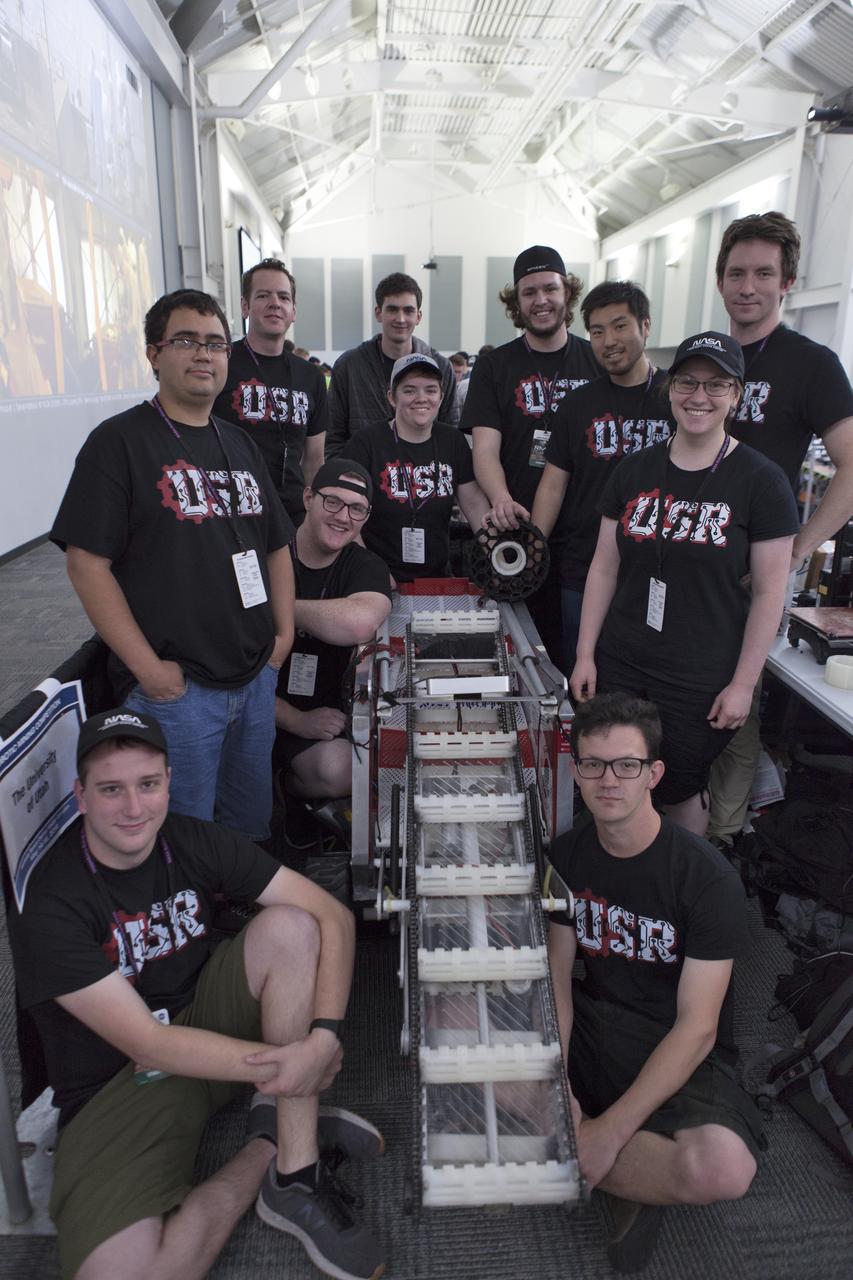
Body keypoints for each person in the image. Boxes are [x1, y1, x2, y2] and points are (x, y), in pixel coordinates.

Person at [9, 709, 384, 1280]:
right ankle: (269, 1141)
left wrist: (323, 1037)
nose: (134, 807)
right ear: (81, 796)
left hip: (207, 1025)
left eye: (148, 784)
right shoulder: (51, 901)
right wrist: (296, 1065)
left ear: (167, 783)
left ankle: (297, 1173)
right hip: (118, 1084)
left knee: (292, 926)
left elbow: (332, 915)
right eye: (111, 790)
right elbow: (148, 1044)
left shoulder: (189, 839)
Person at [51, 288, 295, 843]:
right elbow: (86, 564)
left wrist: (281, 640)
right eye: (186, 340)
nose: (204, 354)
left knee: (248, 832)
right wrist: (150, 671)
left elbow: (276, 546)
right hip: (179, 691)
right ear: (154, 354)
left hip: (255, 678)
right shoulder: (117, 443)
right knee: (182, 843)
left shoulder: (239, 444)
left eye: (216, 343)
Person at [548, 691, 762, 1273]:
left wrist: (608, 1132)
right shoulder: (565, 857)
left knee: (725, 1167)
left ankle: (580, 1154)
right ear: (576, 772)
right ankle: (623, 1171)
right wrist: (556, 1081)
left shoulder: (707, 879)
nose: (608, 780)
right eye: (593, 764)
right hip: (596, 1022)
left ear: (654, 775)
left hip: (672, 1042)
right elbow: (557, 984)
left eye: (626, 765)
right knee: (459, 1033)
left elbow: (697, 1028)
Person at [570, 331, 799, 836]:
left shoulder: (761, 481)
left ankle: (674, 878)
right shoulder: (634, 470)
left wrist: (743, 685)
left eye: (717, 385)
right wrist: (585, 653)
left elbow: (770, 592)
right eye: (688, 382)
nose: (700, 396)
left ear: (736, 395)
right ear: (670, 388)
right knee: (612, 772)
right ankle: (614, 870)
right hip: (623, 658)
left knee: (677, 783)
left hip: (700, 672)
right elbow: (604, 567)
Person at [708, 211, 853, 847]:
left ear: (787, 282)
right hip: (688, 558)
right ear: (719, 280)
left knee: (735, 708)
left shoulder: (811, 364)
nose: (748, 286)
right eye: (737, 273)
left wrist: (795, 551)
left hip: (753, 573)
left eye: (764, 274)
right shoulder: (707, 357)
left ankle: (722, 843)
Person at [463, 245, 600, 666]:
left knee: (581, 654)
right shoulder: (494, 366)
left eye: (550, 289)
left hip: (587, 537)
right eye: (529, 292)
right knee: (524, 653)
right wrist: (501, 499)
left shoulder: (595, 359)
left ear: (567, 293)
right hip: (519, 532)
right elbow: (485, 449)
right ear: (516, 302)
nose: (541, 300)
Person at [531, 281, 674, 673]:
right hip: (583, 566)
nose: (609, 341)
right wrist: (534, 548)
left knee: (645, 677)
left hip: (656, 570)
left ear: (646, 325)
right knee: (582, 675)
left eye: (620, 326)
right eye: (597, 331)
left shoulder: (675, 398)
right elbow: (553, 484)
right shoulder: (578, 404)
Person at [275, 458, 392, 821]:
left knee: (345, 768)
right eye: (333, 501)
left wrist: (273, 608)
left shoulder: (365, 565)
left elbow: (360, 623)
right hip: (259, 707)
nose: (343, 517)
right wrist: (295, 720)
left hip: (327, 719)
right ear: (308, 497)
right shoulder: (268, 554)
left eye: (356, 509)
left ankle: (287, 790)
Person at [347, 354, 505, 583]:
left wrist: (499, 559)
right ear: (392, 397)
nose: (421, 398)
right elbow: (346, 517)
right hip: (379, 580)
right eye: (409, 390)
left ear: (441, 397)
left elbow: (474, 506)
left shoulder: (452, 441)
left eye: (430, 390)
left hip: (437, 579)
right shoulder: (366, 443)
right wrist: (371, 572)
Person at [213, 258, 327, 525]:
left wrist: (314, 519)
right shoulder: (221, 363)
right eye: (263, 295)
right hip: (232, 513)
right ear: (245, 306)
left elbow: (313, 462)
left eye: (283, 297)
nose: (275, 303)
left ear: (293, 311)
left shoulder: (311, 376)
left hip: (292, 515)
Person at [326, 272, 458, 455]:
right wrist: (348, 471)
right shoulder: (348, 366)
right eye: (392, 310)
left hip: (423, 470)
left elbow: (451, 437)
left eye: (408, 311)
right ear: (378, 313)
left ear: (418, 316)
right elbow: (333, 438)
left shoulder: (441, 368)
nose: (401, 319)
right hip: (362, 471)